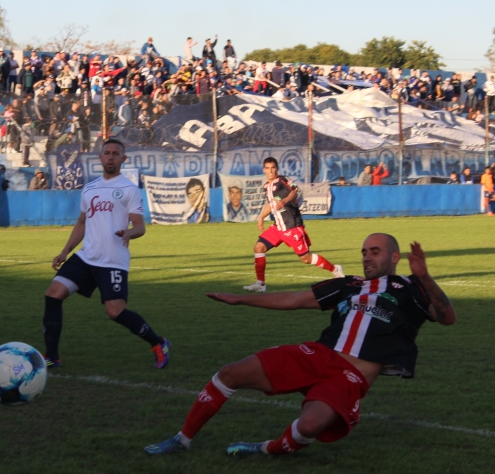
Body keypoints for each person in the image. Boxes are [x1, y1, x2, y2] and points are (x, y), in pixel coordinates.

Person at [145, 235, 455, 457]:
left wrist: (426, 278)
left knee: (309, 426)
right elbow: (295, 299)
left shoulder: (410, 288)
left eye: (375, 251)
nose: (367, 257)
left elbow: (446, 317)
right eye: (364, 251)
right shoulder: (349, 284)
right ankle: (182, 440)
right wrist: (241, 299)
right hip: (318, 355)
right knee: (230, 373)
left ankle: (268, 448)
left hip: (349, 375)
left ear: (394, 257)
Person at [42, 138, 170, 369]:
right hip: (85, 256)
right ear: (100, 158)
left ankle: (158, 343)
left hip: (112, 261)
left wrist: (130, 233)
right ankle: (52, 356)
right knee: (53, 294)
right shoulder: (90, 188)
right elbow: (82, 223)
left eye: (115, 154)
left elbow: (140, 225)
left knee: (114, 311)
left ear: (123, 159)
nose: (110, 157)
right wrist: (65, 251)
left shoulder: (129, 189)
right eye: (107, 153)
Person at [243, 158, 343, 293]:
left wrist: (284, 200)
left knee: (306, 259)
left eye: (273, 167)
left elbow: (295, 190)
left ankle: (335, 269)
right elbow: (270, 204)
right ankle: (260, 283)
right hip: (277, 228)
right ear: (264, 170)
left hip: (292, 227)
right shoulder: (267, 186)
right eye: (267, 168)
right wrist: (261, 217)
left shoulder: (282, 180)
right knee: (258, 248)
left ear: (276, 168)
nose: (270, 170)